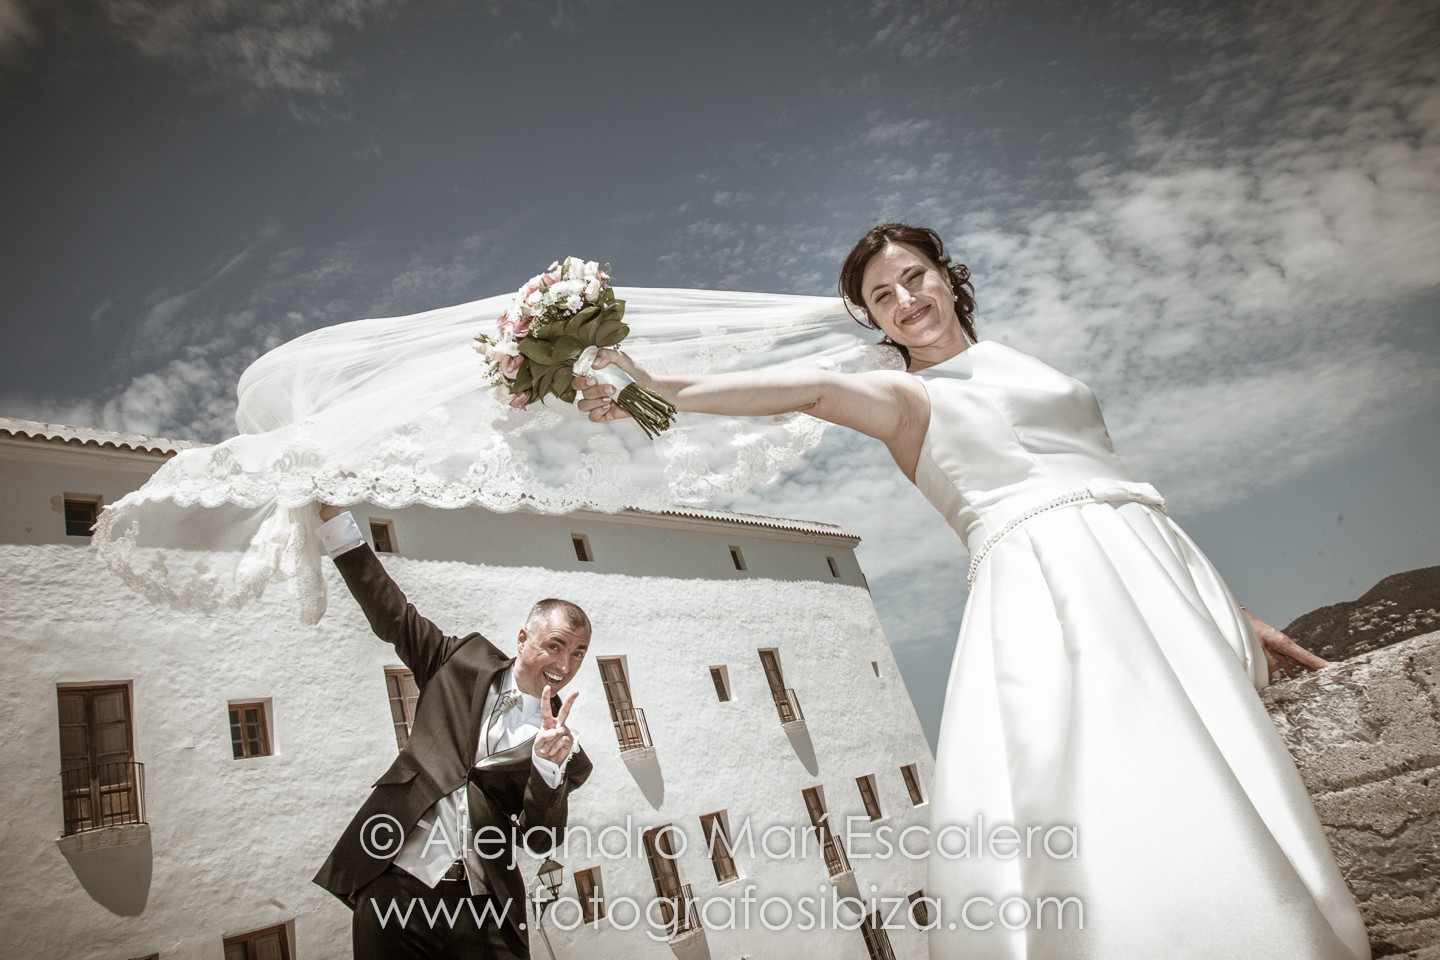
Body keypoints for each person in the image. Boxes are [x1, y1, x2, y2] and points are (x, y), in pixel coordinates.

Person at [572, 223, 1370, 959]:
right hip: (1054, 587)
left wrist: (1229, 609)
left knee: (1218, 760)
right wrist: (657, 387)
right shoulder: (907, 398)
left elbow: (1116, 485)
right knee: (1125, 775)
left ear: (947, 278)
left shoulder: (1025, 366)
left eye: (913, 278)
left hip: (1156, 572)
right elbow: (809, 389)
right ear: (874, 323)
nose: (905, 301)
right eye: (882, 298)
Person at [311, 503, 593, 960]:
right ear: (524, 639)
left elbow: (540, 840)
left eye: (579, 654)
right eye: (555, 646)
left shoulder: (563, 747)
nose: (564, 666)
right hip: (395, 885)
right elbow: (394, 615)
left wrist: (546, 769)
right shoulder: (457, 663)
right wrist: (336, 524)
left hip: (484, 908)